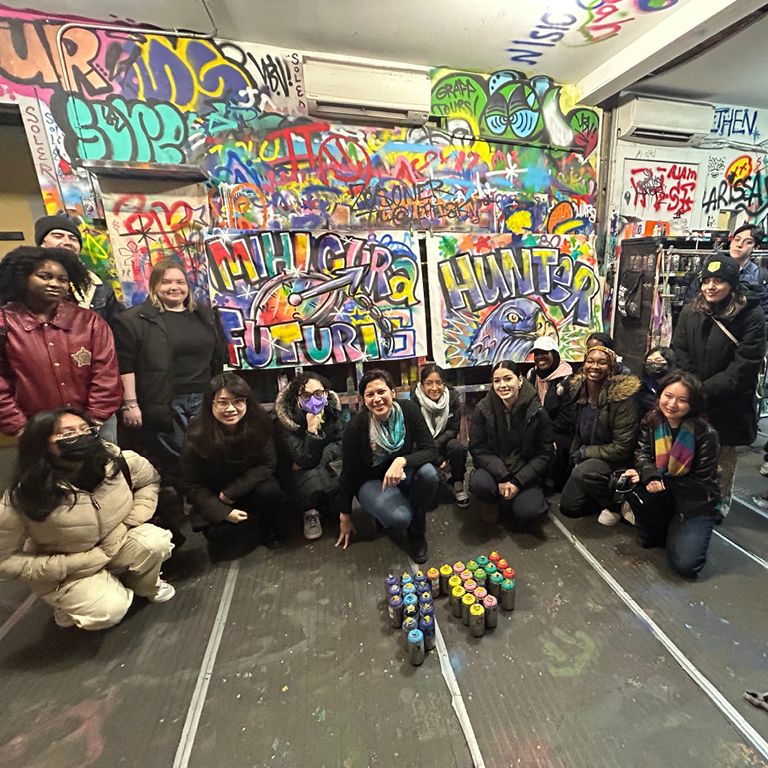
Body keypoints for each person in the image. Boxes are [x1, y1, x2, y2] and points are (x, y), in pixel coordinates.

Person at [0, 408, 174, 630]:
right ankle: (71, 601)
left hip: (116, 542)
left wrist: (129, 522)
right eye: (66, 434)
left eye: (85, 430)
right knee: (110, 611)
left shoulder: (117, 461)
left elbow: (149, 481)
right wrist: (64, 566)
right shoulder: (24, 494)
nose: (79, 437)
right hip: (70, 566)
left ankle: (141, 584)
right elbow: (4, 560)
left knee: (156, 541)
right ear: (42, 443)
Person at [113, 259, 227, 487]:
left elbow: (217, 357)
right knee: (177, 459)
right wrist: (130, 404)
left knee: (206, 454)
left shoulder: (204, 315)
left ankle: (205, 507)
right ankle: (181, 510)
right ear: (153, 285)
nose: (174, 287)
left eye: (180, 282)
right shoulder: (133, 320)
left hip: (203, 399)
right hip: (163, 402)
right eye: (166, 282)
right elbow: (125, 366)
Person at [672, 255, 766, 515]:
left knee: (721, 460)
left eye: (719, 281)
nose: (711, 287)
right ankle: (686, 499)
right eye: (707, 281)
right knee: (687, 452)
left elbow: (744, 365)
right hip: (692, 398)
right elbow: (679, 349)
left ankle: (718, 504)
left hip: (729, 403)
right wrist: (690, 385)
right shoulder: (692, 310)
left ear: (733, 284)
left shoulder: (751, 315)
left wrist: (701, 390)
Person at [0, 246, 122, 440]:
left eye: (62, 279)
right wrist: (19, 426)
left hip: (94, 426)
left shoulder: (89, 321)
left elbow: (106, 374)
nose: (55, 283)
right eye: (44, 276)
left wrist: (91, 422)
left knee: (103, 470)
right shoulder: (5, 322)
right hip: (37, 430)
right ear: (23, 277)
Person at [622, 372, 720, 578]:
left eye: (682, 400)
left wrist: (661, 481)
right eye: (668, 396)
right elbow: (642, 454)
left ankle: (682, 527)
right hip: (663, 493)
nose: (672, 404)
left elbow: (701, 482)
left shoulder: (705, 433)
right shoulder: (652, 420)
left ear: (694, 404)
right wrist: (649, 475)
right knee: (649, 539)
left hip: (693, 501)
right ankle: (664, 526)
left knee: (685, 565)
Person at [335, 369, 439, 563]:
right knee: (400, 518)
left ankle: (417, 533)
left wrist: (401, 461)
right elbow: (348, 473)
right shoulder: (357, 426)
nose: (377, 399)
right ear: (364, 400)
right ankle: (389, 511)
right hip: (370, 480)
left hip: (400, 472)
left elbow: (431, 450)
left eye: (381, 391)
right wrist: (345, 515)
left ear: (393, 392)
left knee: (430, 474)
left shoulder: (409, 410)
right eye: (370, 394)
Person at [179, 373, 281, 558]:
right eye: (223, 402)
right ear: (210, 404)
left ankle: (266, 527)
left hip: (247, 489)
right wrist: (223, 512)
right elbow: (191, 485)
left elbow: (268, 464)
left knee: (270, 491)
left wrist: (231, 493)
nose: (231, 409)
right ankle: (253, 525)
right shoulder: (196, 435)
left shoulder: (261, 422)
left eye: (238, 401)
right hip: (216, 496)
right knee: (220, 538)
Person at [559, 345, 641, 525]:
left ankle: (617, 501)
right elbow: (578, 431)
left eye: (601, 363)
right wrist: (574, 456)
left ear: (611, 368)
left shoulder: (621, 398)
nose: (594, 366)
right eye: (590, 361)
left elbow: (622, 447)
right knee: (569, 507)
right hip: (589, 456)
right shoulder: (579, 390)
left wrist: (585, 453)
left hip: (614, 460)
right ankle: (600, 496)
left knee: (582, 473)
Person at [469, 360, 552, 528]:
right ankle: (492, 501)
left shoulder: (537, 412)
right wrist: (503, 476)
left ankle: (512, 498)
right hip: (494, 469)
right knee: (479, 484)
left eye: (508, 379)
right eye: (497, 381)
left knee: (528, 512)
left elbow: (544, 453)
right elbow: (478, 448)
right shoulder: (483, 408)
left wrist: (517, 481)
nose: (502, 385)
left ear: (520, 380)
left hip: (524, 470)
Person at [274, 372, 344, 540]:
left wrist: (319, 456)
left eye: (318, 393)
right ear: (296, 397)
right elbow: (304, 459)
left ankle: (323, 505)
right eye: (306, 395)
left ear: (326, 393)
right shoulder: (285, 422)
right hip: (293, 475)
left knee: (335, 504)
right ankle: (309, 513)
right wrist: (312, 431)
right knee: (308, 473)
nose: (314, 399)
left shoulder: (331, 412)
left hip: (320, 466)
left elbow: (341, 442)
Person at [35, 214, 124, 326]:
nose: (67, 242)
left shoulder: (98, 287)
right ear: (42, 243)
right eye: (58, 236)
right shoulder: (26, 283)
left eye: (73, 238)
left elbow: (114, 331)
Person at [412, 363, 469, 507]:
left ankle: (458, 484)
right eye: (429, 383)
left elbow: (453, 429)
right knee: (436, 480)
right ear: (422, 384)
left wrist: (435, 447)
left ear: (444, 383)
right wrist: (438, 460)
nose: (434, 388)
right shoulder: (413, 403)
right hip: (421, 448)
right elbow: (416, 438)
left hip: (442, 443)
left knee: (457, 448)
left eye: (438, 383)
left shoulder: (452, 398)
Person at [527, 336, 573, 489]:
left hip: (559, 430)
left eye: (545, 352)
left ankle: (553, 477)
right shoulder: (532, 375)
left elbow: (566, 417)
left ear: (555, 353)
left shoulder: (567, 380)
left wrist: (544, 431)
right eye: (537, 353)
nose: (540, 357)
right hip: (537, 425)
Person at [638, 346, 677, 416]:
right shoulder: (642, 388)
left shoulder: (677, 387)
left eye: (658, 361)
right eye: (649, 362)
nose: (653, 364)